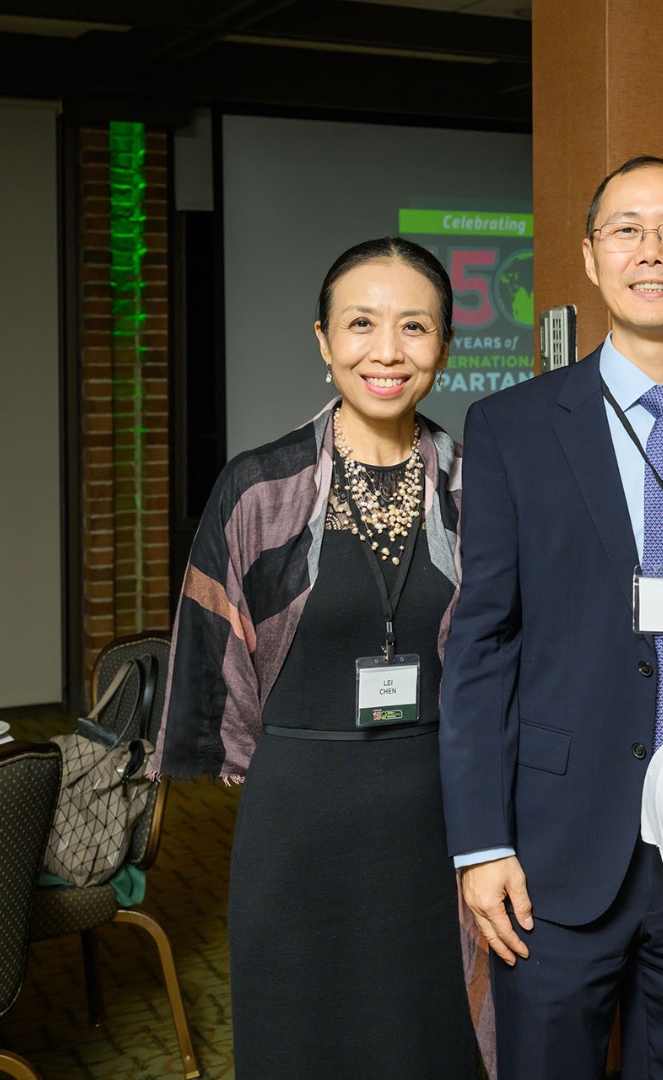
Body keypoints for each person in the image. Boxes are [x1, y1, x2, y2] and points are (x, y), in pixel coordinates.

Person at [441, 155, 663, 1079]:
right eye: (627, 230)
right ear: (591, 257)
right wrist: (482, 844)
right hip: (556, 847)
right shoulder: (513, 428)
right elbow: (481, 644)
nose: (653, 251)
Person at [153, 238, 487, 1075]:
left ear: (444, 346)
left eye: (414, 327)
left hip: (440, 810)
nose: (387, 350)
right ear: (322, 339)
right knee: (302, 1040)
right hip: (300, 815)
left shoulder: (478, 484)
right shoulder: (260, 486)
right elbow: (212, 646)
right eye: (362, 324)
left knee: (432, 1039)